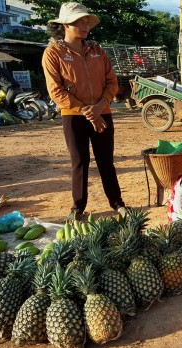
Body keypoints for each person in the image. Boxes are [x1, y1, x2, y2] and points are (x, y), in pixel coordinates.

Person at [42, 2, 126, 219]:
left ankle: (118, 203)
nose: (85, 24)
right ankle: (77, 208)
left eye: (86, 20)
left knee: (105, 160)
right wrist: (88, 112)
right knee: (79, 162)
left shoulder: (97, 51)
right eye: (79, 21)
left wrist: (99, 107)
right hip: (73, 116)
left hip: (103, 112)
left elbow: (111, 82)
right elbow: (55, 91)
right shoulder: (53, 53)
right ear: (65, 25)